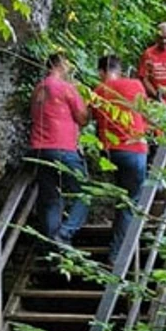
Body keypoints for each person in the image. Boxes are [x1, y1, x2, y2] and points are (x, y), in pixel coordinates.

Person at [92, 54, 148, 264]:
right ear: (119, 69)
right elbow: (145, 113)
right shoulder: (135, 84)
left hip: (111, 153)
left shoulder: (99, 91)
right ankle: (117, 255)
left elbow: (96, 120)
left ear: (101, 72)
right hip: (135, 149)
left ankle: (116, 250)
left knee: (123, 196)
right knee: (130, 201)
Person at [30, 52, 90, 247]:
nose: (69, 69)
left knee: (50, 199)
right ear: (60, 65)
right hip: (62, 148)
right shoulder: (65, 88)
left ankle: (53, 249)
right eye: (67, 65)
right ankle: (64, 234)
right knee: (84, 193)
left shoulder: (38, 88)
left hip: (39, 149)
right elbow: (82, 118)